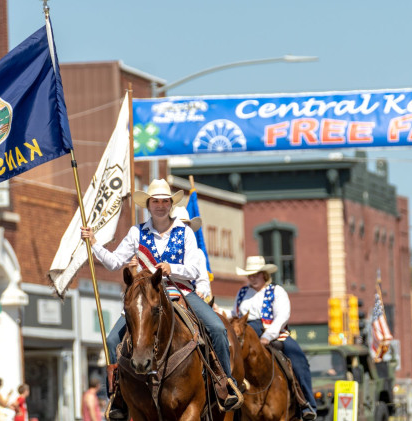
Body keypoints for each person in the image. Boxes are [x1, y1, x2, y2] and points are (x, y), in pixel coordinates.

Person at [82, 178, 243, 419]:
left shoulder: (185, 232)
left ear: (170, 204)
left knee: (218, 329)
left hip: (181, 294)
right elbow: (115, 262)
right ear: (148, 205)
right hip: (147, 298)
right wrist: (93, 242)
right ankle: (116, 396)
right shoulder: (137, 232)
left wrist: (172, 268)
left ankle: (224, 383)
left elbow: (193, 269)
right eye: (155, 201)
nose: (160, 205)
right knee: (112, 338)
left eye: (165, 201)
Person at [229, 256, 317, 421]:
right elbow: (234, 315)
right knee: (229, 357)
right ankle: (229, 401)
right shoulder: (242, 293)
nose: (252, 277)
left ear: (264, 274)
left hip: (274, 333)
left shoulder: (276, 291)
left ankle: (306, 403)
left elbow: (283, 315)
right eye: (250, 274)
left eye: (256, 274)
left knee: (298, 359)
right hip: (246, 332)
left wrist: (268, 336)